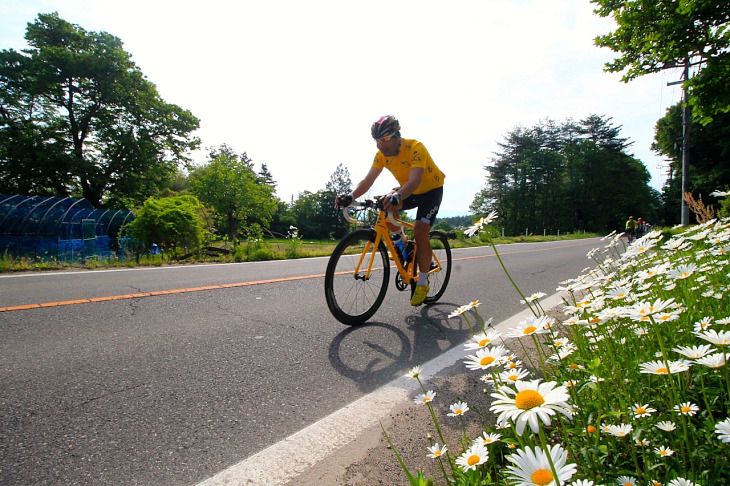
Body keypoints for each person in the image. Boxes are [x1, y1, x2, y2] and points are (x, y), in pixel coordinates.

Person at [335, 115, 445, 306]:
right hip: (407, 191)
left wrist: (398, 196)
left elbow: (415, 181)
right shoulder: (381, 156)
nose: (380, 145)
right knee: (385, 204)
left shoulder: (415, 148)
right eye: (377, 140)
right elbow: (368, 181)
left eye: (384, 139)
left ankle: (423, 280)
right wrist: (351, 197)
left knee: (420, 231)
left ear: (396, 136)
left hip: (430, 191)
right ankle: (405, 246)